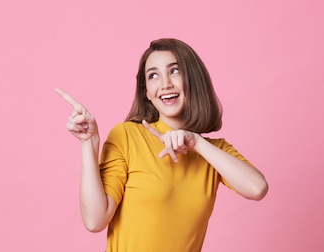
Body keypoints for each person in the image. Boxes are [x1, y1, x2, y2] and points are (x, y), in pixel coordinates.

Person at [55, 38, 268, 252]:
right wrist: (89, 144)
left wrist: (196, 142)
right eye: (153, 76)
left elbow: (257, 188)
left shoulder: (213, 151)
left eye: (174, 71)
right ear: (146, 92)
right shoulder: (127, 136)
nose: (165, 84)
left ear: (193, 80)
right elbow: (94, 220)